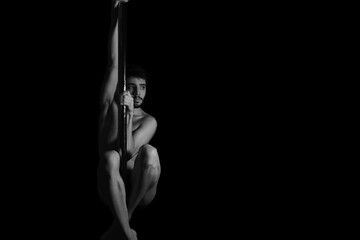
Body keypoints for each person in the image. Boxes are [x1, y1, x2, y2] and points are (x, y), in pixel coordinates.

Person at [97, 0, 161, 239]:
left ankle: (124, 219)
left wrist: (128, 114)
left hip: (140, 189)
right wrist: (115, 13)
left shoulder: (149, 120)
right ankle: (125, 232)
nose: (138, 94)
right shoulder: (108, 108)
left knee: (151, 152)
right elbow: (114, 62)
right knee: (110, 156)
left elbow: (131, 150)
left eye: (142, 88)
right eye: (132, 88)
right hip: (110, 186)